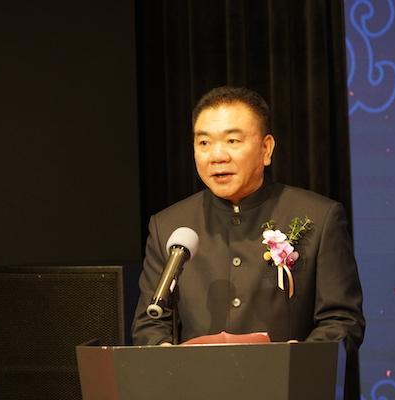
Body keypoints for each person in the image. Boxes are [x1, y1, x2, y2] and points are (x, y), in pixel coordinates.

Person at [132, 86, 364, 352]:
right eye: (204, 143)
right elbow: (150, 322)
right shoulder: (168, 226)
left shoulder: (319, 217)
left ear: (266, 149)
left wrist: (299, 358)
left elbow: (342, 321)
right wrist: (163, 351)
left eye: (232, 141)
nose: (217, 156)